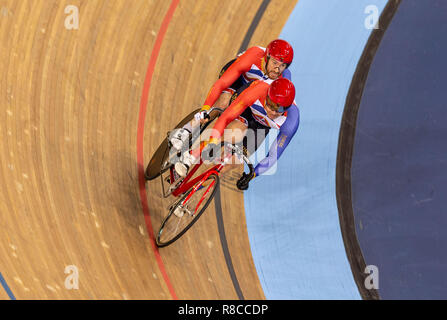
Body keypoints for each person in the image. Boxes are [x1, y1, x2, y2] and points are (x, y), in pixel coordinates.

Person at [175, 77, 299, 191]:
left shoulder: (291, 122)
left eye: (278, 109)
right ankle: (189, 158)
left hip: (260, 128)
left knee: (231, 164)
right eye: (270, 104)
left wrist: (252, 175)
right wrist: (214, 139)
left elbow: (272, 156)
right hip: (247, 111)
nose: (271, 111)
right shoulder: (258, 90)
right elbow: (226, 117)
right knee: (232, 134)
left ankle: (187, 193)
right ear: (267, 95)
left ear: (287, 108)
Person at [169, 39, 294, 150]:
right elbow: (221, 84)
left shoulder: (281, 81)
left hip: (251, 92)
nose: (277, 70)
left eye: (282, 65)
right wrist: (206, 108)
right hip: (238, 79)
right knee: (222, 103)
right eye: (274, 63)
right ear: (266, 58)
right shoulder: (253, 57)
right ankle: (186, 130)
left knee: (233, 129)